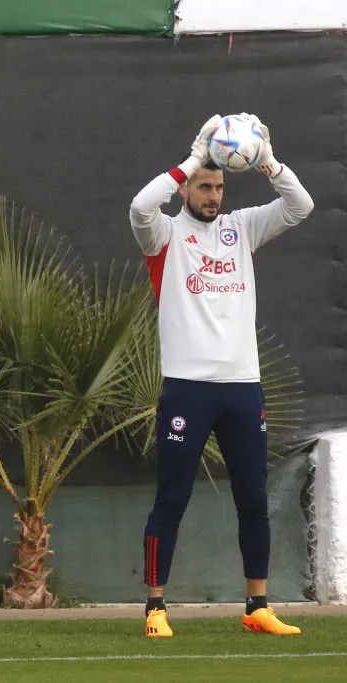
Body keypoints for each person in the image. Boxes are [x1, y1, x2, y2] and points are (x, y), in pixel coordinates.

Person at [129, 115, 314, 637]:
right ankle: (156, 608)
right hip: (187, 388)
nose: (212, 195)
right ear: (186, 188)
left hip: (242, 388)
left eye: (218, 187)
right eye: (203, 186)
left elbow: (301, 206)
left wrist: (268, 161)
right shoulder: (164, 234)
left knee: (253, 499)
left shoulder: (241, 228)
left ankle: (257, 606)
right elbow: (140, 206)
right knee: (173, 498)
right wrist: (192, 158)